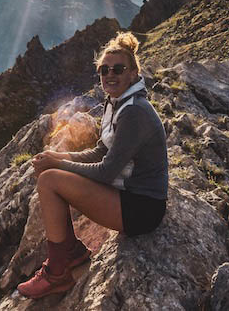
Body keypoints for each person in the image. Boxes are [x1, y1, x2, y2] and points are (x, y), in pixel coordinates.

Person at [17, 31, 169, 299]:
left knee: (50, 180)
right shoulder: (117, 103)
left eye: (118, 69)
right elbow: (101, 150)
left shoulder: (133, 111)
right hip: (129, 197)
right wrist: (59, 158)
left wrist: (59, 167)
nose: (109, 74)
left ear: (133, 73)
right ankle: (71, 254)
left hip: (141, 209)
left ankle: (58, 273)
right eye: (104, 69)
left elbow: (106, 171)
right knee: (51, 172)